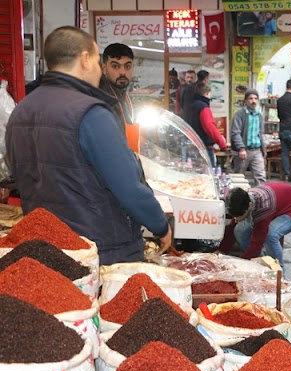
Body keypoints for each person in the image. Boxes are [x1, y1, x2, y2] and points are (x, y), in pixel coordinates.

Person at [5, 26, 172, 265]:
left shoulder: (21, 110)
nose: (99, 70)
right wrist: (159, 224)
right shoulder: (91, 113)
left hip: (44, 250)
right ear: (85, 59)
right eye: (97, 60)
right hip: (100, 249)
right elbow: (127, 184)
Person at [218, 183, 291, 272]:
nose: (236, 219)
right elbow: (232, 226)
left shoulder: (263, 209)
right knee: (239, 231)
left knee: (270, 235)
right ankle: (261, 263)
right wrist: (221, 251)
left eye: (239, 216)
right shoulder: (242, 200)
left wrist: (240, 265)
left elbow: (257, 242)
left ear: (249, 206)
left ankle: (279, 271)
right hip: (277, 204)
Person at [186, 82, 228, 168]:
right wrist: (222, 144)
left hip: (191, 146)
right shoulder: (203, 107)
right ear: (207, 93)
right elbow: (209, 127)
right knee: (208, 176)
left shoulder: (189, 107)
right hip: (204, 148)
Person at [230, 88, 267, 185]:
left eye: (255, 98)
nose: (253, 101)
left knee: (261, 177)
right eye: (250, 98)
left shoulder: (259, 115)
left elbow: (260, 133)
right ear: (246, 101)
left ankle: (262, 197)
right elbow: (235, 132)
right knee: (238, 177)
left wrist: (263, 150)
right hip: (243, 151)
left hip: (256, 150)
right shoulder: (239, 114)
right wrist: (241, 148)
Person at [99, 43, 134, 128]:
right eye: (115, 66)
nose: (123, 72)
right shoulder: (101, 99)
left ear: (133, 68)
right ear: (104, 69)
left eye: (127, 66)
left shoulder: (121, 92)